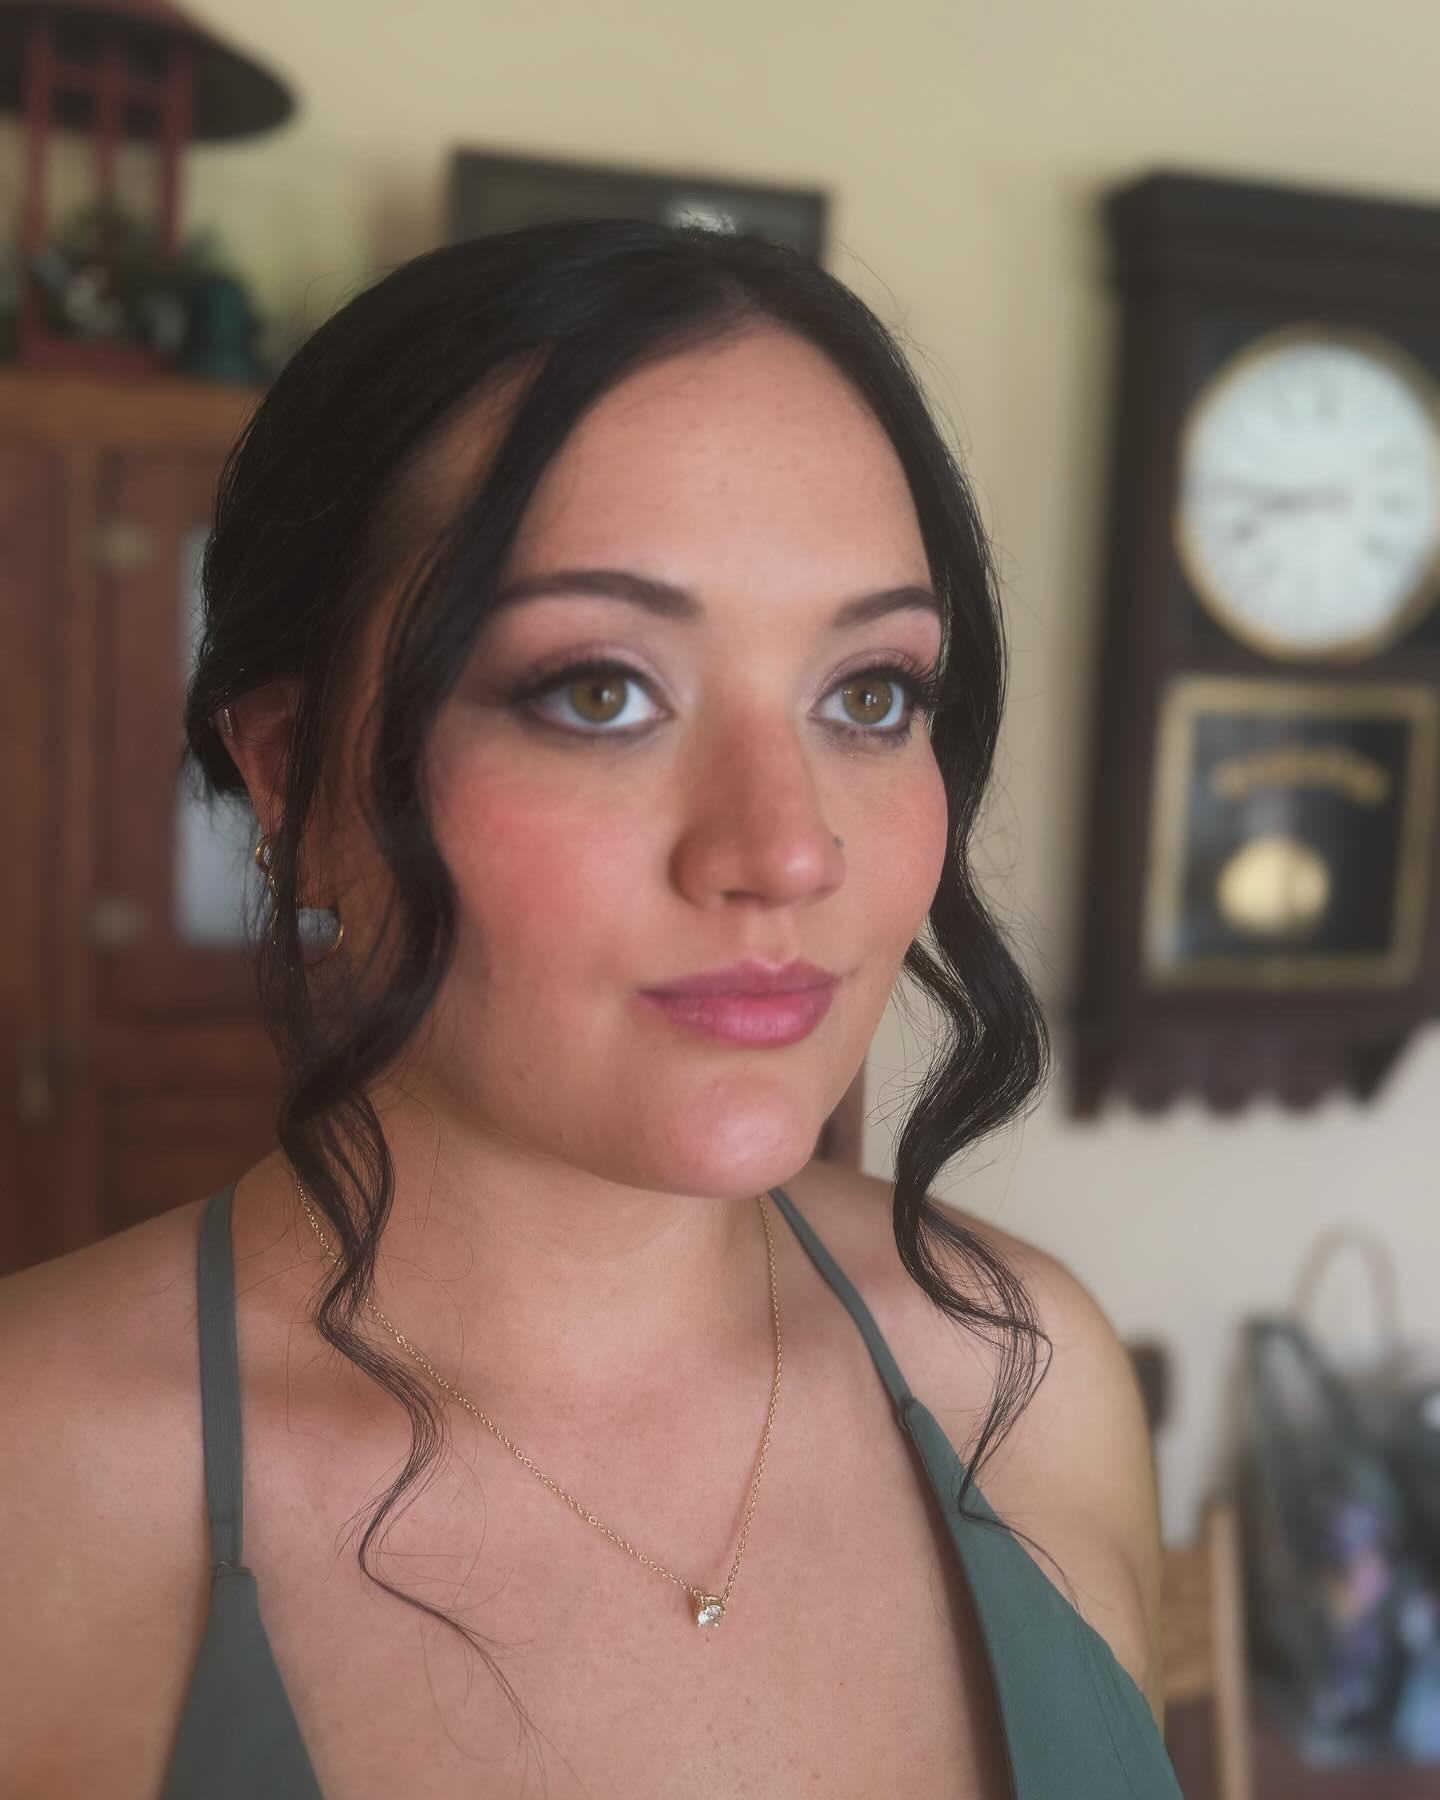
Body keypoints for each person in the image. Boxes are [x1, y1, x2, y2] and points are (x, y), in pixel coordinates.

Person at [0, 219, 1180, 1798]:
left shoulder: (1026, 1375)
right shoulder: (38, 1496)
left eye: (870, 693)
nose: (789, 849)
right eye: (600, 691)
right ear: (290, 777)